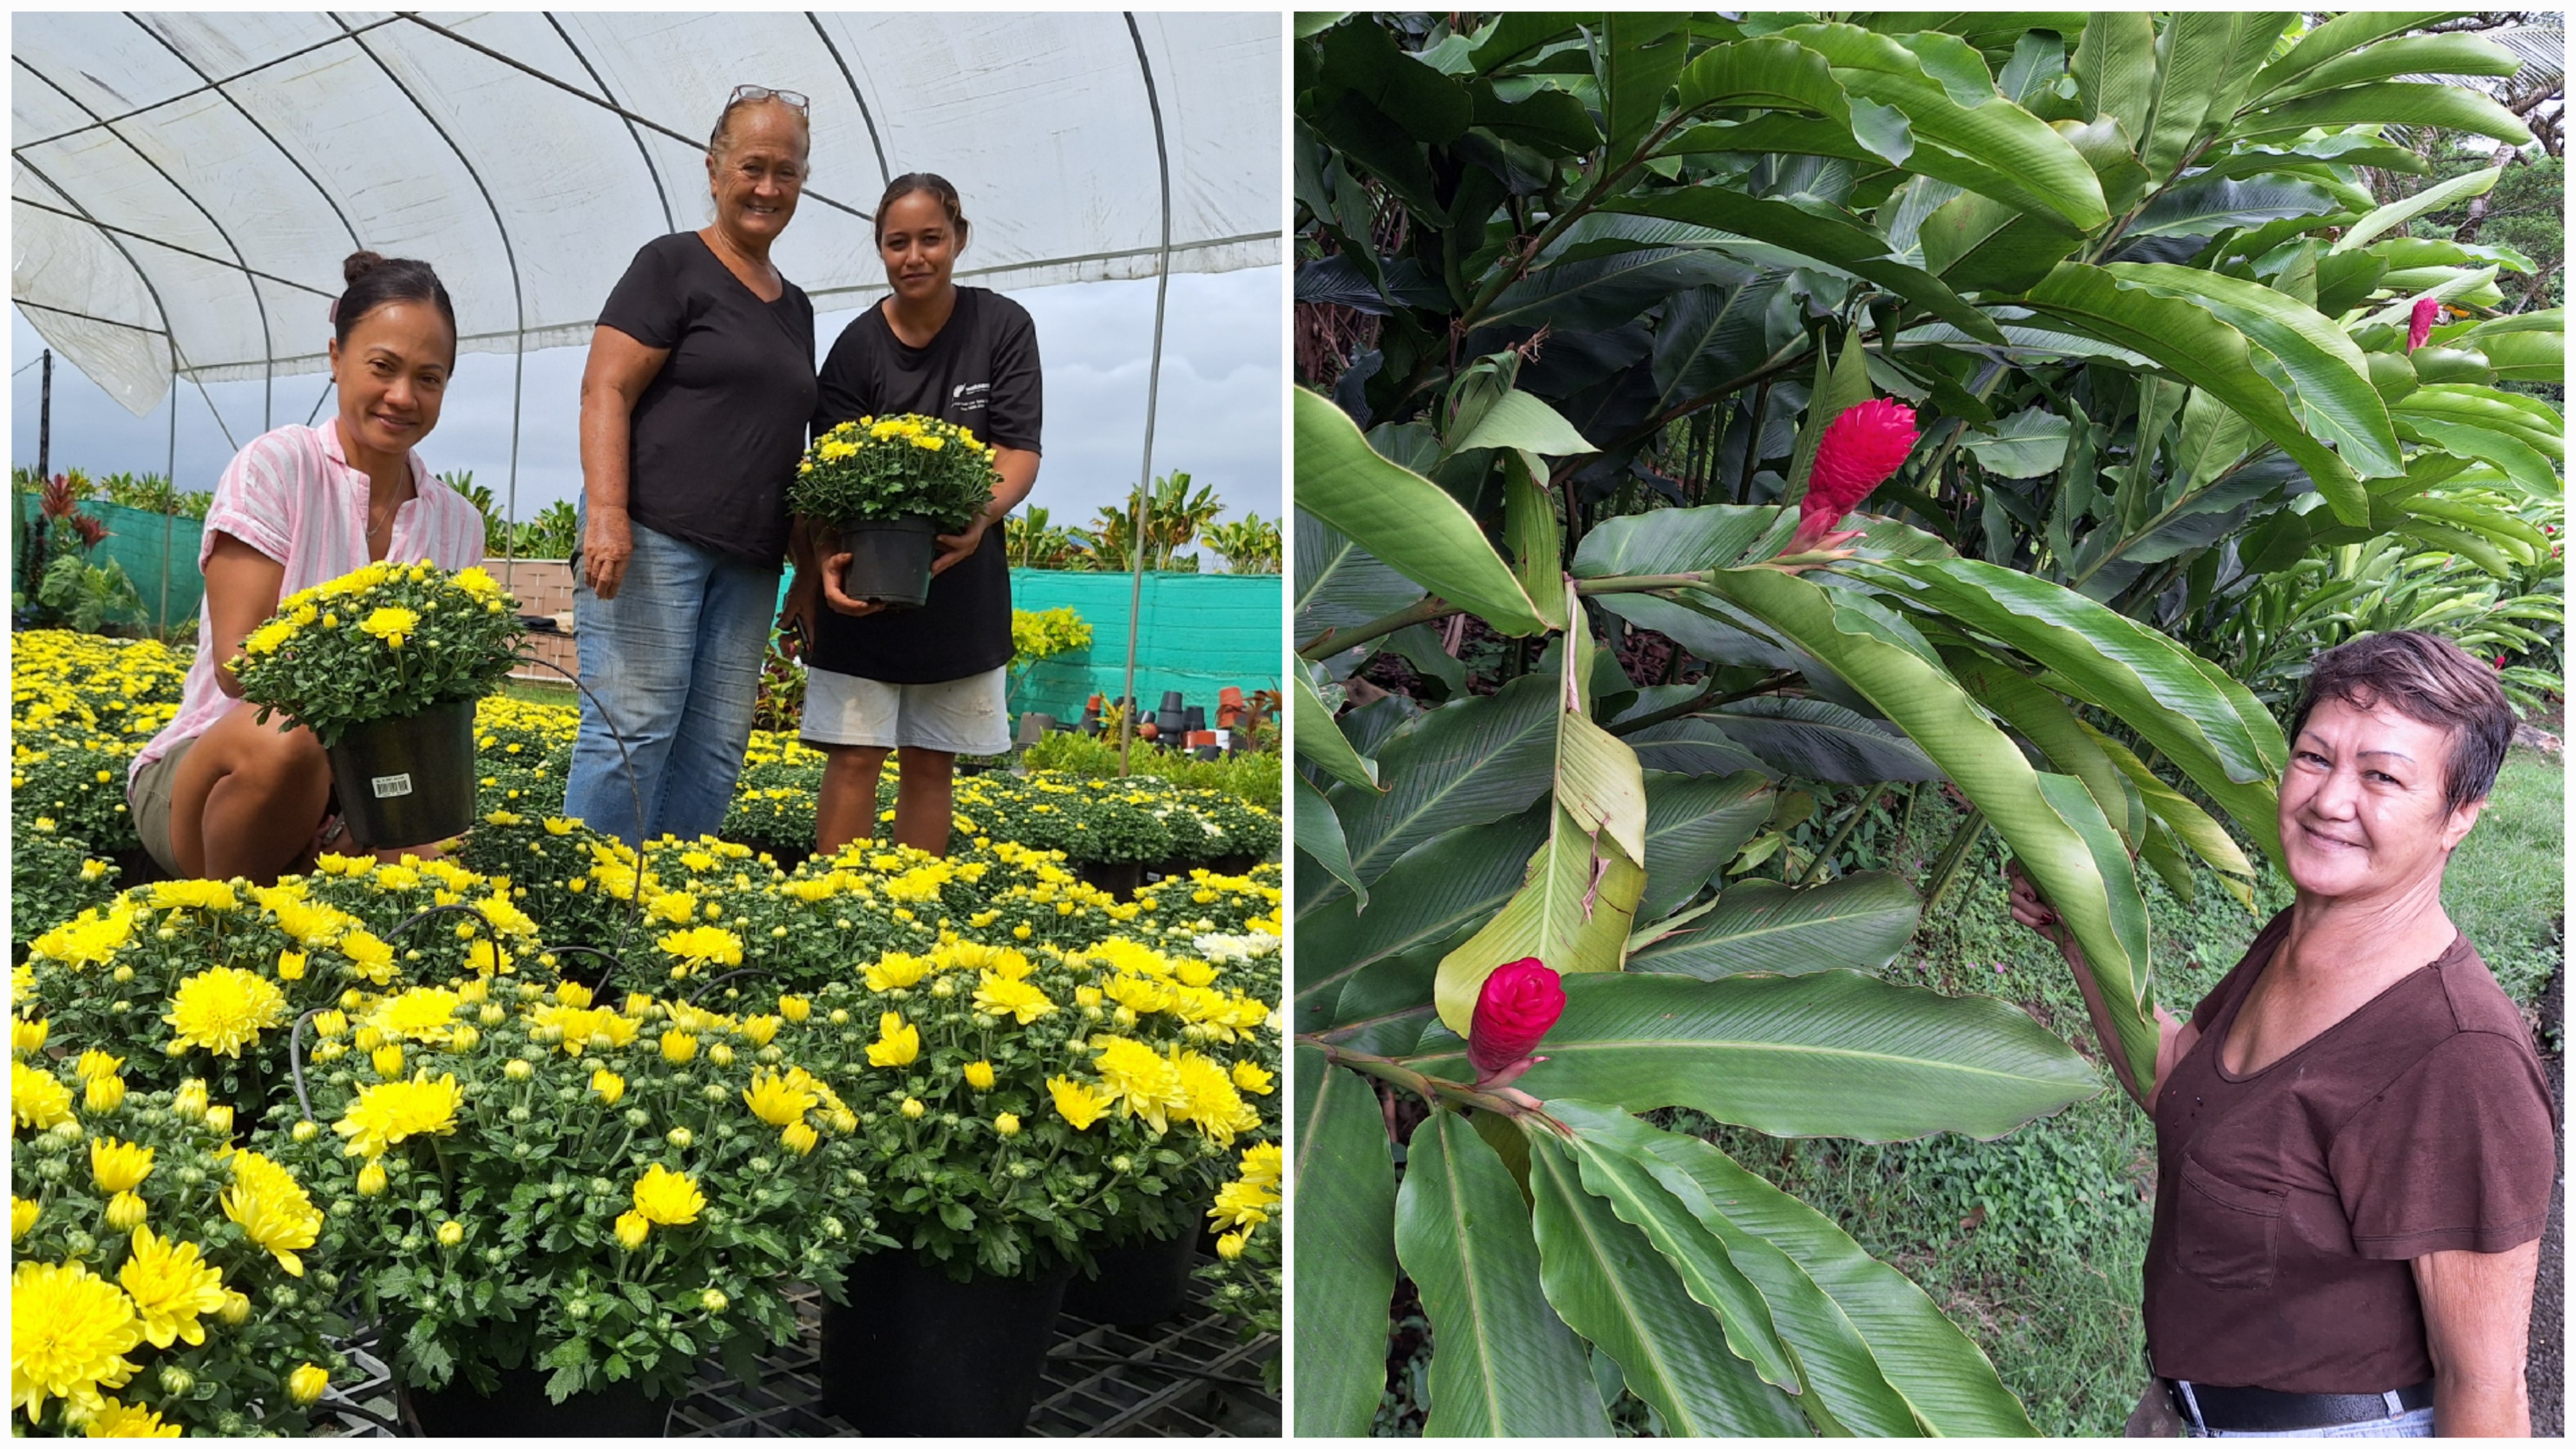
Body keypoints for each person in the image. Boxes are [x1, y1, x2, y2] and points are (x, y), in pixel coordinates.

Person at [2008, 631, 2552, 1438]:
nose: (2331, 800)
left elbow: (2488, 1386)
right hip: (2183, 1409)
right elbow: (2179, 1083)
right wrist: (2082, 938)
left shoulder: (2460, 1057)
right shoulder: (2298, 939)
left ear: (2460, 816)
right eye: (2314, 758)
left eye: (2383, 777)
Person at [126, 252, 485, 884]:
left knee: (446, 852)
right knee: (287, 739)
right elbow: (242, 667)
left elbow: (439, 705)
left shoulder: (458, 524)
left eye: (429, 379)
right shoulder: (277, 467)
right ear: (336, 358)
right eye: (383, 367)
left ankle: (312, 893)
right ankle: (224, 929)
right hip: (217, 772)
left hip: (362, 789)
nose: (403, 396)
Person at [564, 86, 816, 845]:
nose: (768, 187)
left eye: (787, 172)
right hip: (653, 537)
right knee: (631, 730)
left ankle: (665, 915)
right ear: (714, 171)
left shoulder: (795, 306)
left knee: (714, 751)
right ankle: (585, 912)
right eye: (752, 167)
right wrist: (608, 514)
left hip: (747, 563)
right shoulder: (672, 264)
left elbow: (788, 444)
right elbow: (604, 385)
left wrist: (803, 568)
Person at [790, 173, 1041, 856]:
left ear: (959, 239)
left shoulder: (1002, 328)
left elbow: (1017, 448)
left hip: (963, 590)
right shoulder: (857, 348)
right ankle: (837, 906)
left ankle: (911, 909)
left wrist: (980, 516)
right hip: (862, 589)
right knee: (853, 757)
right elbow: (828, 476)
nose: (915, 257)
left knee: (933, 763)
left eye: (931, 239)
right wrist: (820, 575)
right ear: (881, 250)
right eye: (897, 243)